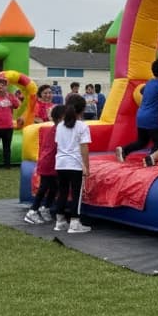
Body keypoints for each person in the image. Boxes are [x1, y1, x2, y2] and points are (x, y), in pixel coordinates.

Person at [116, 59, 158, 167]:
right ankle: (150, 159)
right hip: (152, 119)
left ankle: (124, 150)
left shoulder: (150, 83)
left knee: (142, 142)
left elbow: (142, 91)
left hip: (140, 117)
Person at [53, 94, 92, 234]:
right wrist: (86, 166)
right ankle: (75, 223)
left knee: (62, 192)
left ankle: (60, 221)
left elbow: (58, 144)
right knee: (76, 194)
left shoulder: (60, 126)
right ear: (82, 110)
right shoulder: (82, 126)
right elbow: (84, 148)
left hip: (61, 163)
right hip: (74, 164)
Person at [24, 104, 65, 224]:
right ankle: (32, 211)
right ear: (59, 119)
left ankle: (45, 208)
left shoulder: (56, 129)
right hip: (48, 163)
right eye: (65, 117)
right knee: (44, 188)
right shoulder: (58, 130)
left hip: (51, 163)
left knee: (53, 187)